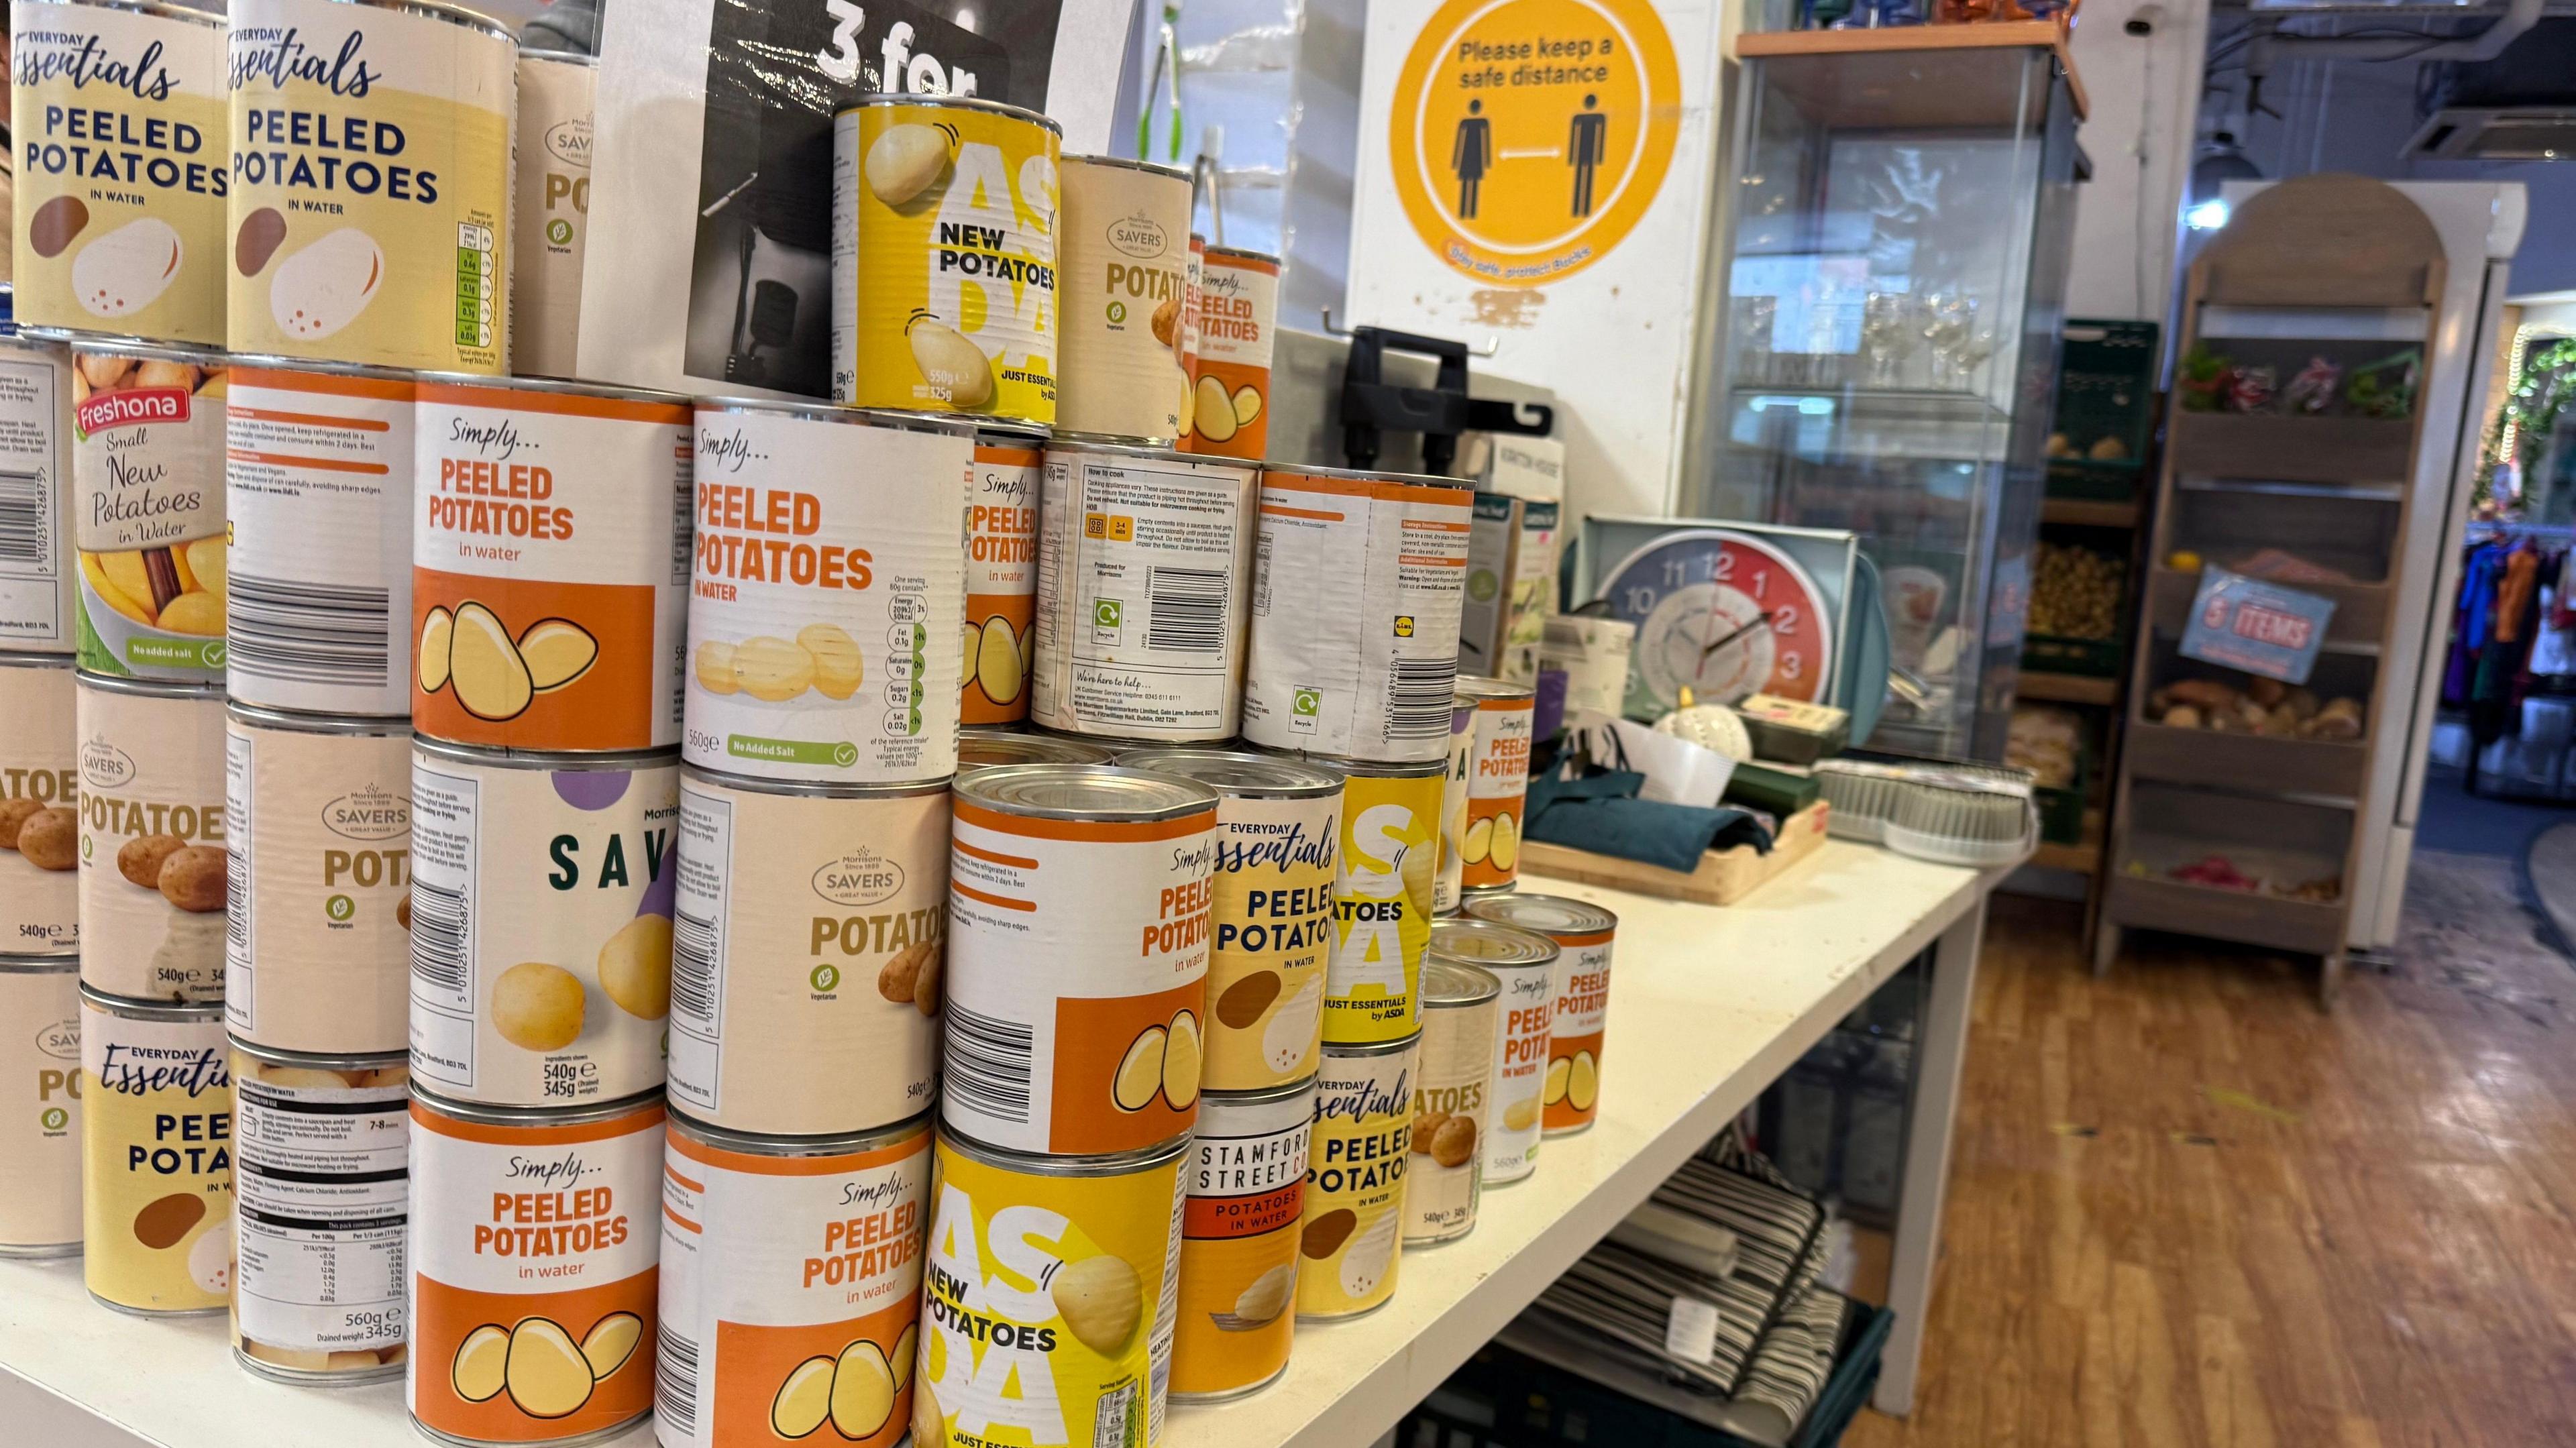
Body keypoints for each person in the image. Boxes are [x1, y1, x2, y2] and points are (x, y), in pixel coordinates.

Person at [1568, 94, 1608, 217]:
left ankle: (1581, 210)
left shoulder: (1595, 117)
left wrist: (1572, 157)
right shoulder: (1587, 117)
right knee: (1583, 179)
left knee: (1584, 179)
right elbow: (1575, 137)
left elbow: (1599, 137)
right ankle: (1579, 210)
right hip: (1587, 153)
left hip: (1586, 153)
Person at [1452, 99, 1493, 219]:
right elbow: (1485, 143)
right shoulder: (1480, 122)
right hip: (1474, 158)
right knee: (1471, 184)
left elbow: (1460, 143)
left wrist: (1456, 162)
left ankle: (1468, 213)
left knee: (1470, 184)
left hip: (1470, 157)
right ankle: (1468, 213)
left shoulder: (1477, 122)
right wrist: (1487, 161)